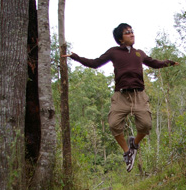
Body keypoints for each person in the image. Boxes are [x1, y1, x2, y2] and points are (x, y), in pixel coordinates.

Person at [62, 23, 179, 172]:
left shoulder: (139, 53)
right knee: (113, 124)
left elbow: (154, 63)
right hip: (121, 96)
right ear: (120, 39)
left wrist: (168, 63)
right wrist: (75, 57)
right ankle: (127, 151)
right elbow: (95, 63)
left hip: (139, 95)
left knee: (146, 125)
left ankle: (134, 144)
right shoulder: (114, 52)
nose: (132, 34)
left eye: (132, 31)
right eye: (127, 32)